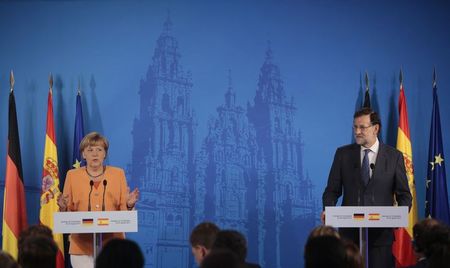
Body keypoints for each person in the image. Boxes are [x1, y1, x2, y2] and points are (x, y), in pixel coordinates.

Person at [322, 108, 412, 268]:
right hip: (350, 238)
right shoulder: (343, 154)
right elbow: (332, 190)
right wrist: (328, 210)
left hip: (380, 238)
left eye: (362, 127)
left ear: (376, 128)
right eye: (355, 127)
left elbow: (404, 195)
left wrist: (400, 215)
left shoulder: (394, 156)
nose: (357, 131)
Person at [57, 132, 140, 268]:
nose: (94, 154)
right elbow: (68, 210)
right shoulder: (72, 175)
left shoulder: (117, 174)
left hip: (113, 246)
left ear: (104, 154)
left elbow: (123, 210)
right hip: (81, 246)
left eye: (99, 150)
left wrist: (129, 205)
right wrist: (63, 207)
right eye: (90, 150)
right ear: (83, 154)